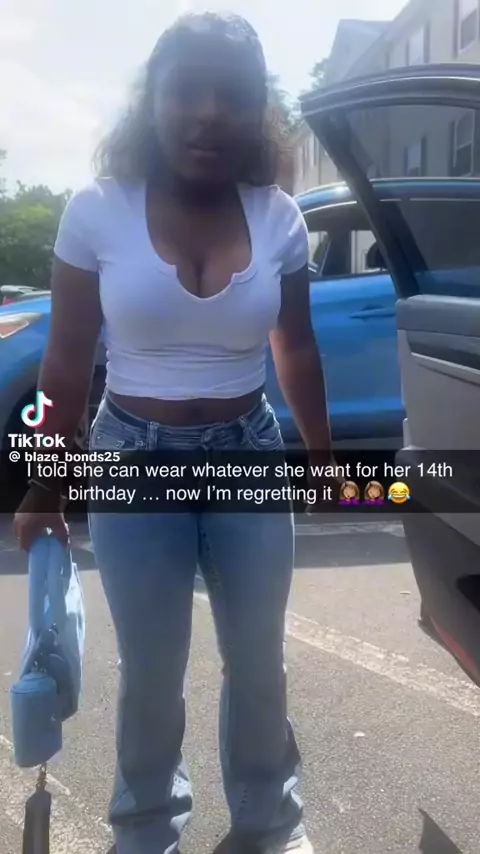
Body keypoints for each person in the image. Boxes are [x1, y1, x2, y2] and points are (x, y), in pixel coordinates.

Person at [13, 12, 334, 854]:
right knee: (151, 669)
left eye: (233, 95)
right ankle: (147, 827)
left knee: (258, 660)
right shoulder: (97, 211)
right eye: (187, 89)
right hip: (133, 458)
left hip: (248, 455)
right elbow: (63, 365)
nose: (209, 112)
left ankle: (270, 821)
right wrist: (45, 485)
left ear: (257, 111)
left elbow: (296, 348)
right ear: (150, 100)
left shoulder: (280, 217)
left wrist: (323, 458)